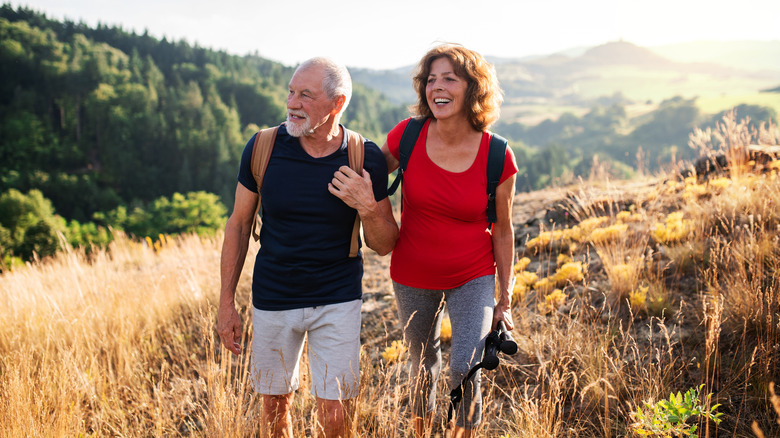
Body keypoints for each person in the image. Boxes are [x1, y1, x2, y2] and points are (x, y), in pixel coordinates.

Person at [217, 57, 398, 438]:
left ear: (337, 103)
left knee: (335, 415)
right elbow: (238, 223)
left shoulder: (364, 157)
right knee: (274, 408)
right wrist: (225, 301)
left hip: (337, 298)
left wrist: (366, 205)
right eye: (290, 91)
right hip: (273, 297)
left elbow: (384, 245)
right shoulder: (263, 147)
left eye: (305, 95)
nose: (291, 103)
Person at [382, 44, 518, 437]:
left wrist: (504, 300)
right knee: (422, 363)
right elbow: (367, 173)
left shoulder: (498, 155)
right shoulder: (407, 136)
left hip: (472, 275)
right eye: (430, 79)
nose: (436, 87)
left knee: (464, 365)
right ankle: (420, 431)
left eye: (449, 79)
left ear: (472, 88)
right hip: (411, 273)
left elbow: (504, 230)